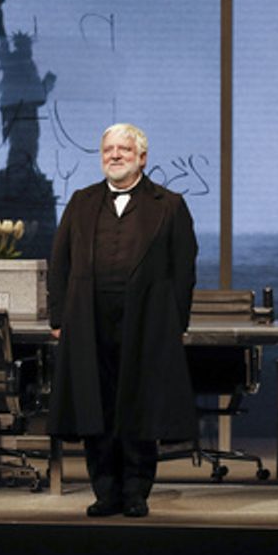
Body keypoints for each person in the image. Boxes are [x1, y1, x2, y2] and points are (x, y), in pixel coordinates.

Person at [47, 123, 198, 519]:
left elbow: (184, 269)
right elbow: (59, 262)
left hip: (147, 324)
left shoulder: (169, 204)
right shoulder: (81, 201)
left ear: (142, 157)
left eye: (124, 150)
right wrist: (59, 317)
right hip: (89, 322)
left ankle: (135, 492)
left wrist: (174, 324)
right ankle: (105, 491)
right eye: (108, 150)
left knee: (139, 409)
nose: (114, 156)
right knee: (95, 408)